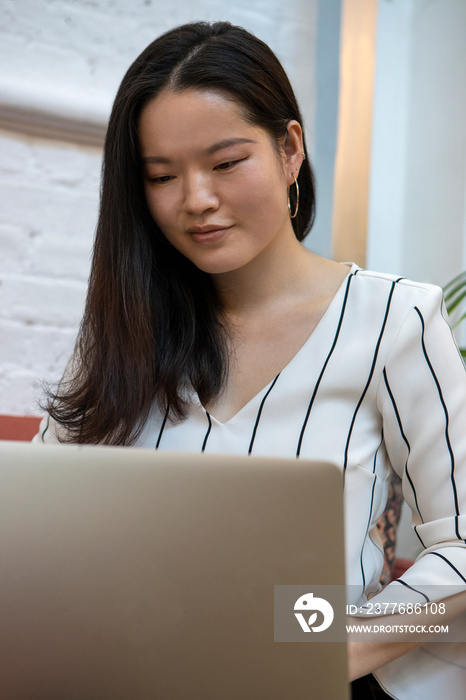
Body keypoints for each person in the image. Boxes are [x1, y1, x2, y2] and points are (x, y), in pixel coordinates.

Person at [34, 21, 466, 699]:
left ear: (289, 150)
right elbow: (33, 523)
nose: (196, 200)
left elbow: (463, 550)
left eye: (226, 163)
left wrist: (323, 645)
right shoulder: (124, 331)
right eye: (161, 176)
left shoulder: (395, 322)